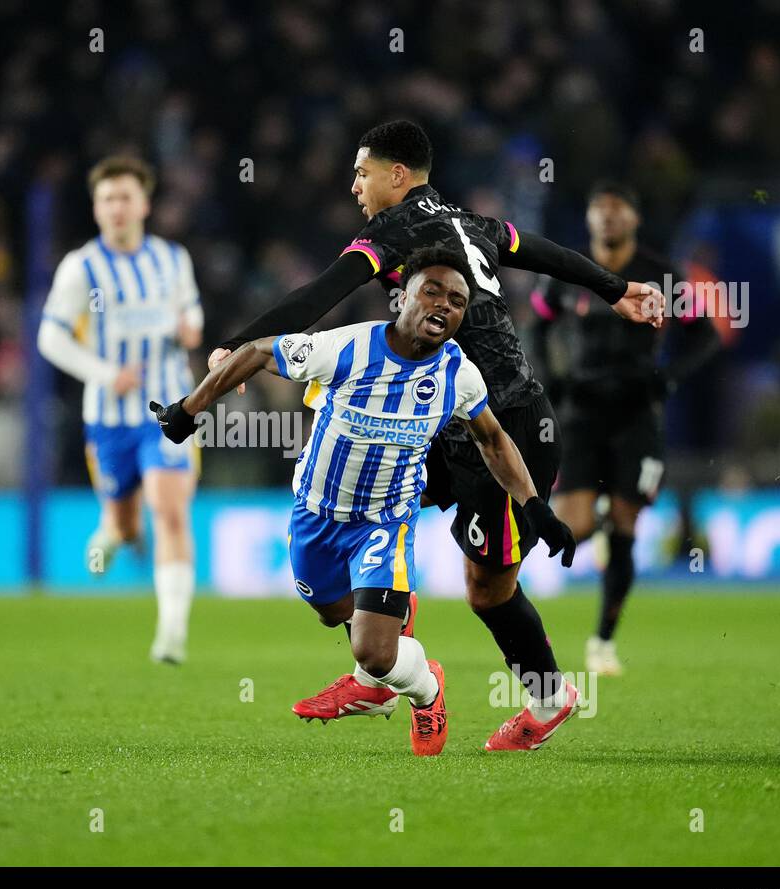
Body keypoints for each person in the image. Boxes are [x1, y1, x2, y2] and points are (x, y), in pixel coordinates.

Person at [210, 120, 664, 750]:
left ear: (398, 174)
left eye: (362, 173)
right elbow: (539, 250)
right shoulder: (471, 221)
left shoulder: (392, 231)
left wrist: (237, 346)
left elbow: (319, 295)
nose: (355, 186)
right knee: (369, 505)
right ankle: (383, 666)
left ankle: (550, 697)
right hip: (444, 420)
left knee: (488, 592)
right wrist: (613, 289)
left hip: (502, 425)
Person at [151, 246, 577, 755]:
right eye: (432, 292)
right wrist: (188, 409)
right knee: (332, 613)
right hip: (316, 514)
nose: (444, 306)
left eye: (458, 300)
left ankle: (427, 691)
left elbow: (493, 439)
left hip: (385, 522)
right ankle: (393, 643)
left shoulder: (458, 375)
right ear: (404, 298)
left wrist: (534, 507)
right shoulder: (348, 348)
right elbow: (259, 352)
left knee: (375, 653)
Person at [534, 181, 720, 676]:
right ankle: (600, 529)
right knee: (571, 527)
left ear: (634, 220)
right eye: (599, 211)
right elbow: (537, 321)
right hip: (580, 413)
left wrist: (670, 378)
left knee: (625, 525)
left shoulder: (663, 274)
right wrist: (548, 375)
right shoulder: (569, 271)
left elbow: (705, 336)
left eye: (617, 211)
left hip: (637, 414)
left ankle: (603, 641)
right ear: (590, 219)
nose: (608, 220)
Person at [37, 155, 202, 664]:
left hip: (169, 410)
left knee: (168, 509)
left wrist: (190, 326)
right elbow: (49, 337)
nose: (116, 207)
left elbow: (190, 307)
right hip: (108, 419)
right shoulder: (80, 267)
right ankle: (112, 532)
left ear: (145, 204)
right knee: (129, 525)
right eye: (107, 199)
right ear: (95, 208)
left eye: (125, 197)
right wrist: (107, 374)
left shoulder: (172, 259)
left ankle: (171, 632)